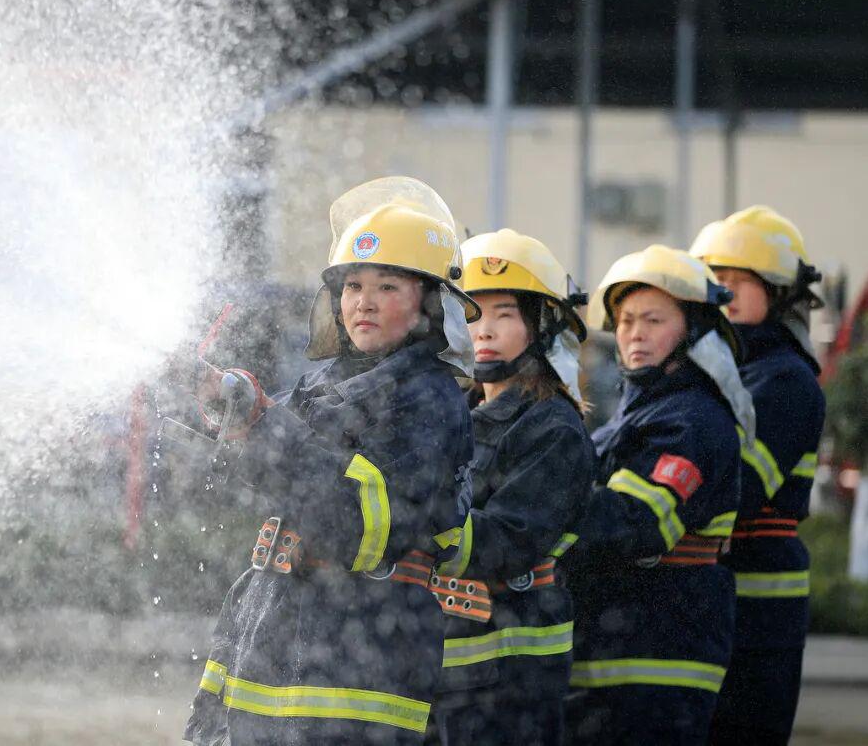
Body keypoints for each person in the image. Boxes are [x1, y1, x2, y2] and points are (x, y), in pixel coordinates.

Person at [183, 177, 478, 745]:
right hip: (273, 640)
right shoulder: (323, 386)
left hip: (357, 669)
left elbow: (360, 525)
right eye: (353, 285)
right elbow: (254, 459)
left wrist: (258, 422)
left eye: (387, 285)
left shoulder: (430, 401)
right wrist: (214, 400)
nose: (363, 301)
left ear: (429, 305)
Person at [564, 245, 755, 745]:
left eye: (653, 320)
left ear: (692, 330)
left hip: (660, 659)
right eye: (626, 321)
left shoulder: (694, 421)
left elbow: (635, 522)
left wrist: (537, 512)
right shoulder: (634, 417)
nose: (635, 334)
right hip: (615, 653)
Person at [423, 229, 595, 746]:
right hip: (448, 664)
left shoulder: (553, 428)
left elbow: (509, 542)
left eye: (504, 314)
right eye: (472, 314)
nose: (485, 330)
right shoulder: (453, 416)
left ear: (541, 327)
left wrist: (411, 521)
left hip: (512, 676)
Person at [690, 206, 826, 745]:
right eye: (714, 280)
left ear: (779, 292)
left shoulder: (785, 380)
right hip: (715, 589)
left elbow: (737, 491)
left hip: (760, 603)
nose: (723, 292)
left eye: (737, 280)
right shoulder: (718, 373)